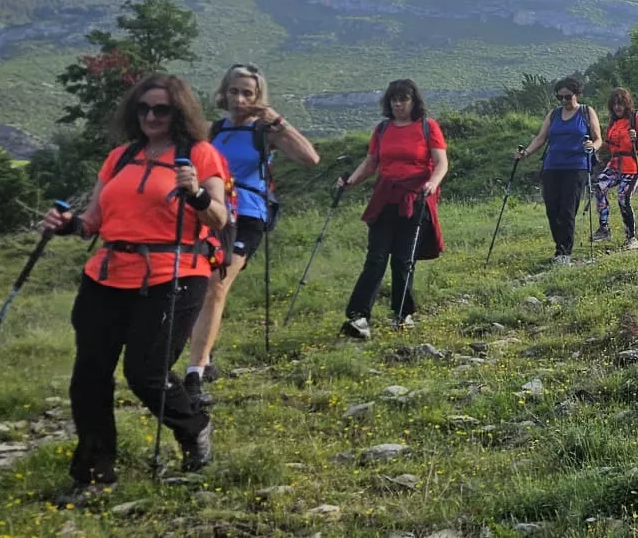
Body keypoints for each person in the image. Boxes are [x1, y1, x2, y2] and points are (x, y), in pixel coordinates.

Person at [35, 74, 232, 492]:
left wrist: (195, 193)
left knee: (145, 373)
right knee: (88, 375)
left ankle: (193, 426)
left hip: (173, 274)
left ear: (178, 112)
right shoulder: (120, 158)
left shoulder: (200, 154)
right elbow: (93, 222)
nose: (150, 116)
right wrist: (67, 225)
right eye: (143, 108)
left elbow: (219, 217)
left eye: (161, 109)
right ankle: (93, 470)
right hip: (107, 275)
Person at [182, 64, 320, 410]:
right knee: (194, 285)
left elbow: (310, 158)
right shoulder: (213, 131)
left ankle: (194, 372)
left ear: (258, 97)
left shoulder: (264, 130)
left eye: (248, 92)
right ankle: (205, 354)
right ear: (224, 93)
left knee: (216, 283)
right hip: (208, 212)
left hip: (247, 215)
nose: (240, 99)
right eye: (234, 91)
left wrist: (277, 121)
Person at [335, 79, 448, 339]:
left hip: (415, 197)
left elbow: (441, 162)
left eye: (404, 99)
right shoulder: (383, 129)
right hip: (385, 197)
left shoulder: (427, 126)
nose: (398, 104)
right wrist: (350, 182)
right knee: (375, 258)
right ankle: (359, 317)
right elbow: (371, 162)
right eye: (394, 99)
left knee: (403, 259)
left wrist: (432, 182)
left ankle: (402, 314)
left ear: (413, 101)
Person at [516, 77, 600, 267]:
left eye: (567, 97)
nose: (563, 101)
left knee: (567, 209)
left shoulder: (586, 112)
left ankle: (564, 252)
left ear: (576, 95)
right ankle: (559, 247)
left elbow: (598, 139)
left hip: (576, 166)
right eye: (559, 97)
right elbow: (541, 138)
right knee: (552, 210)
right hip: (552, 166)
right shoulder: (553, 114)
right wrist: (526, 153)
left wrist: (592, 147)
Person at [592, 88, 638, 249]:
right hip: (615, 164)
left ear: (627, 104)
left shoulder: (636, 118)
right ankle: (604, 228)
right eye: (614, 104)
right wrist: (594, 145)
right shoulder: (613, 122)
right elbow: (609, 144)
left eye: (620, 104)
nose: (617, 107)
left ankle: (631, 237)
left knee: (623, 198)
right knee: (599, 187)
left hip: (632, 165)